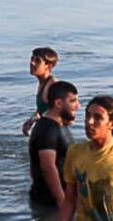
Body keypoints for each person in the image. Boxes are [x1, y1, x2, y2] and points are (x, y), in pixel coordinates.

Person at [28, 81, 78, 210]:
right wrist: (62, 202)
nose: (77, 106)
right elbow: (48, 167)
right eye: (72, 101)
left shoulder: (57, 125)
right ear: (58, 103)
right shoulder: (47, 130)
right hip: (50, 202)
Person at [22, 47, 59, 135]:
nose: (32, 63)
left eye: (37, 61)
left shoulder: (52, 85)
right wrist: (31, 121)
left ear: (48, 66)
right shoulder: (42, 83)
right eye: (32, 59)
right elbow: (43, 109)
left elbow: (59, 111)